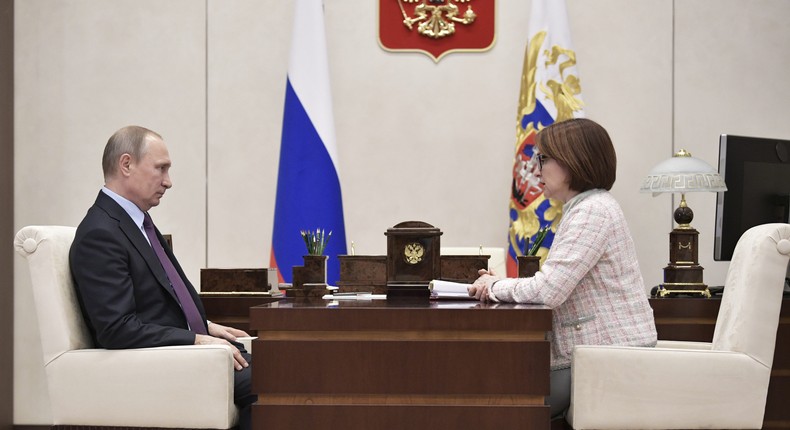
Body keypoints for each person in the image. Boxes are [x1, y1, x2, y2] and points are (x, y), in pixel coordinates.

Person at [468, 118, 657, 420]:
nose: (536, 169)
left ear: (574, 160)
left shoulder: (592, 211)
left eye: (542, 159)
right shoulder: (587, 207)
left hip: (607, 362)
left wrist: (494, 286)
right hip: (595, 357)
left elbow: (549, 290)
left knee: (488, 395)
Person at [69, 125, 255, 430]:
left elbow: (152, 303)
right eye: (161, 169)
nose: (168, 182)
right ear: (126, 164)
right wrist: (195, 339)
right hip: (166, 366)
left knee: (286, 372)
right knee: (282, 386)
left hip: (186, 355)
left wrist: (206, 327)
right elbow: (116, 328)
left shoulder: (137, 223)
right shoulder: (100, 233)